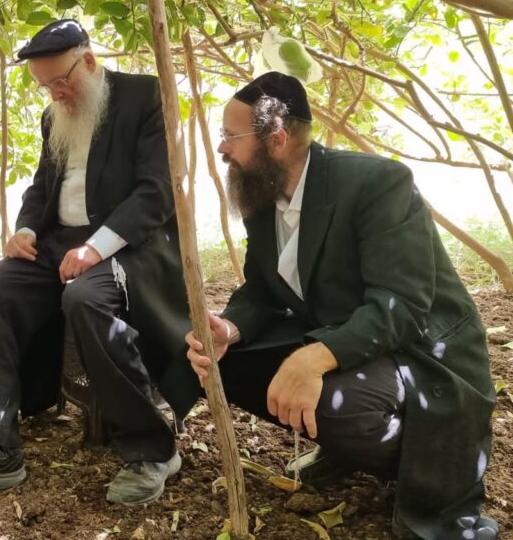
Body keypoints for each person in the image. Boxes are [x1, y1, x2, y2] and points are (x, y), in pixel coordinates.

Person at [186, 72, 497, 540]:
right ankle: (343, 446)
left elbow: (404, 305)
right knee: (222, 364)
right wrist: (227, 328)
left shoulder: (377, 182)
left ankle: (404, 458)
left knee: (336, 401)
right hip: (354, 341)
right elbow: (263, 292)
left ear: (277, 137)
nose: (223, 149)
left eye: (231, 136)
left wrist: (312, 358)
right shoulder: (263, 202)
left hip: (420, 354)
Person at [0, 18, 197, 504]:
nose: (55, 95)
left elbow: (157, 193)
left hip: (129, 246)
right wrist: (25, 229)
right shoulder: (55, 116)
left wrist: (97, 247)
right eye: (44, 87)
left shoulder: (146, 96)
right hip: (58, 244)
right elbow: (44, 186)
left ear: (88, 61)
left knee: (86, 298)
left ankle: (152, 449)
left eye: (61, 82)